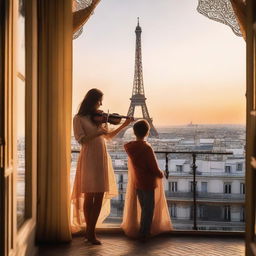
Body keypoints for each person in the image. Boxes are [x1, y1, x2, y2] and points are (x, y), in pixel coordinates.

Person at [71, 88, 133, 245]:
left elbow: (110, 136)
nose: (101, 104)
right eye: (99, 101)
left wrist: (125, 124)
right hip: (89, 157)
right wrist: (99, 133)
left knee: (98, 195)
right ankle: (89, 232)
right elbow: (81, 139)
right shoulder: (78, 118)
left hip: (101, 156)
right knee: (89, 195)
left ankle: (91, 232)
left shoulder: (97, 119)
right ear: (92, 101)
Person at [121, 119, 172, 241]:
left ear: (134, 132)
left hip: (138, 182)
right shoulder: (147, 148)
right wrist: (161, 174)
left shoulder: (130, 147)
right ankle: (144, 233)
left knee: (144, 208)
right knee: (148, 210)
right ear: (148, 132)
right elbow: (153, 167)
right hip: (148, 182)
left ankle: (142, 231)